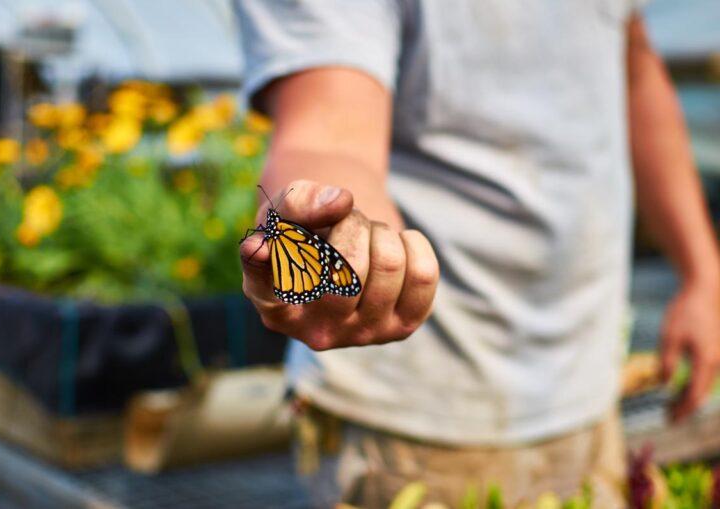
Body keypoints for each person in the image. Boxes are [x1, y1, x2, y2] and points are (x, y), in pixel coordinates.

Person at [234, 1, 720, 507]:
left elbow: (635, 63)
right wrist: (345, 234)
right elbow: (326, 130)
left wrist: (703, 273)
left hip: (591, 387)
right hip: (419, 426)